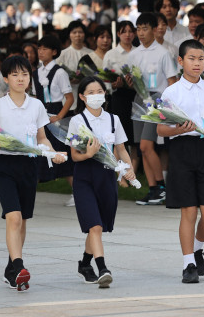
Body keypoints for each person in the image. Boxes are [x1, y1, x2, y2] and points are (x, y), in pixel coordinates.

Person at [0, 56, 66, 291]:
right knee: (14, 217)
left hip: (30, 166)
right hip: (6, 167)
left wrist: (52, 153)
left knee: (23, 220)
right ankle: (20, 267)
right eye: (15, 75)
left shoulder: (37, 105)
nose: (21, 79)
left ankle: (12, 268)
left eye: (25, 74)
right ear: (6, 78)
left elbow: (42, 138)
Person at [156, 39, 204, 284]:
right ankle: (188, 263)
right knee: (188, 210)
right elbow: (160, 129)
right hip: (182, 151)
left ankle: (198, 247)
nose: (197, 63)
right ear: (181, 61)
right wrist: (179, 129)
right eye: (192, 58)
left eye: (201, 59)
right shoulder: (171, 92)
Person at [68, 76, 136, 288]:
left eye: (100, 91)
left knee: (98, 226)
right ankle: (103, 268)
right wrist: (88, 153)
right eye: (91, 92)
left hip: (107, 178)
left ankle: (85, 264)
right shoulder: (77, 121)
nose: (96, 95)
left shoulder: (113, 119)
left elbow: (121, 149)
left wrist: (129, 169)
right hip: (85, 177)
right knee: (94, 225)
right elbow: (74, 156)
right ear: (82, 96)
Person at [127, 12, 177, 206]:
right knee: (141, 147)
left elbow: (172, 81)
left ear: (155, 29)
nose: (141, 33)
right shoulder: (134, 54)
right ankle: (153, 189)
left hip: (157, 99)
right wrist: (129, 82)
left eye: (145, 28)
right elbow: (133, 81)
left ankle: (162, 187)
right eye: (138, 29)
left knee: (148, 146)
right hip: (140, 98)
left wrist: (169, 108)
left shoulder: (163, 53)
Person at [31, 35, 76, 205]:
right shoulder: (35, 73)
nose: (41, 52)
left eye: (45, 49)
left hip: (56, 114)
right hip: (41, 114)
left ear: (54, 52)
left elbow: (69, 98)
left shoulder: (59, 72)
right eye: (39, 48)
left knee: (61, 153)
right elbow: (36, 96)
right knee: (38, 152)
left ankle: (76, 193)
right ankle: (28, 191)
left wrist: (59, 116)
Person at [103, 21, 138, 169]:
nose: (128, 35)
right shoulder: (111, 54)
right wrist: (113, 85)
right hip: (118, 97)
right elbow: (104, 80)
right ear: (118, 34)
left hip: (136, 97)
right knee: (119, 137)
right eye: (124, 31)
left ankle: (132, 173)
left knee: (135, 138)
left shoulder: (138, 52)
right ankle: (119, 175)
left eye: (131, 31)